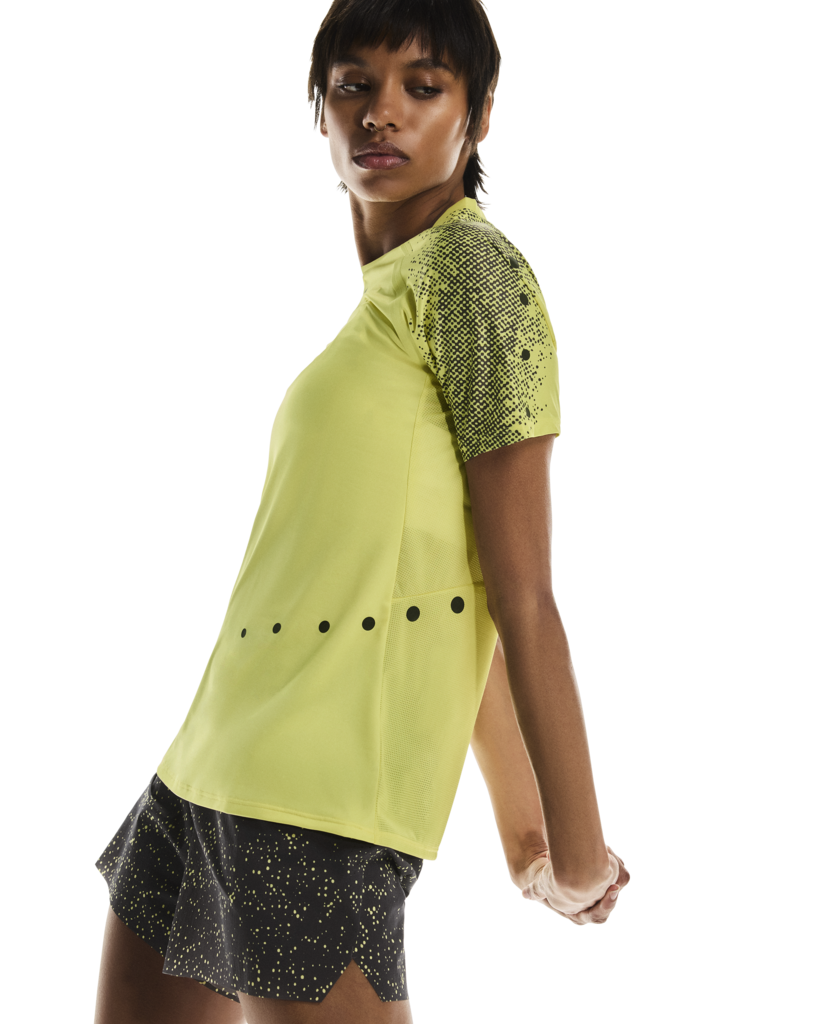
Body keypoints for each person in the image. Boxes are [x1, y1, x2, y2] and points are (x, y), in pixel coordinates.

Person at [93, 3, 631, 1022]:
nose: (382, 112)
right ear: (318, 111)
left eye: (423, 87)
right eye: (354, 86)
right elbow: (449, 587)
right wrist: (524, 838)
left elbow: (519, 594)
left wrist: (569, 847)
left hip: (318, 809)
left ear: (478, 115)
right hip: (201, 773)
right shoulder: (380, 307)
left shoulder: (472, 276)